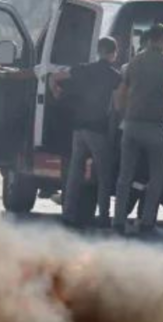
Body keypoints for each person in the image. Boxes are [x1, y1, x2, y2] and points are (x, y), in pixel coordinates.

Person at [114, 24, 163, 236]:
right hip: (155, 126)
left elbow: (121, 92)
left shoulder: (134, 61)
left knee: (125, 176)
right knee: (156, 176)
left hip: (132, 124)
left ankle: (118, 221)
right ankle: (146, 222)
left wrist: (124, 113)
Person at [49, 37, 121, 227]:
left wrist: (56, 93)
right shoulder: (114, 76)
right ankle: (104, 217)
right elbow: (117, 106)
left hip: (78, 129)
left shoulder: (82, 69)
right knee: (104, 175)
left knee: (75, 173)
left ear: (99, 51)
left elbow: (54, 77)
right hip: (98, 130)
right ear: (112, 53)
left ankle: (68, 214)